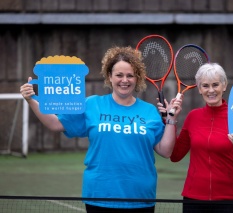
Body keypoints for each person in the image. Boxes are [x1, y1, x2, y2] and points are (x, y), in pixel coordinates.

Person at [20, 46, 183, 213]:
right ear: (109, 77)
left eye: (130, 75)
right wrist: (31, 99)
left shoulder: (149, 111)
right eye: (119, 75)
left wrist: (171, 119)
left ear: (137, 78)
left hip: (140, 197)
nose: (124, 80)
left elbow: (165, 151)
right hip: (99, 195)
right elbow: (55, 123)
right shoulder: (92, 104)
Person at [158, 63, 233, 213]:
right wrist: (169, 119)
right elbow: (175, 156)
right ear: (199, 89)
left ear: (224, 86)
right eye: (205, 86)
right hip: (193, 199)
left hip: (227, 200)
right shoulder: (193, 117)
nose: (211, 90)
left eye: (215, 85)